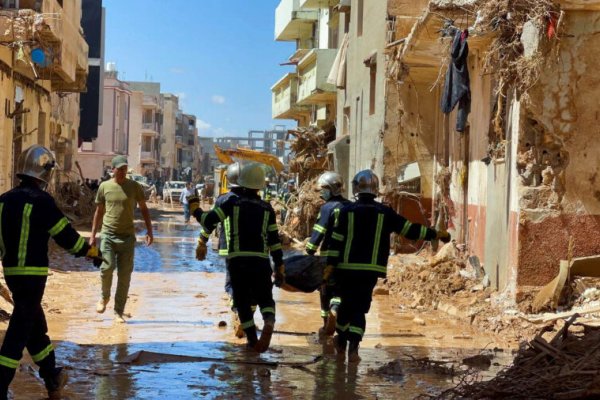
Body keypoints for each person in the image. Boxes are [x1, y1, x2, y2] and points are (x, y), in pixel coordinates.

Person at [0, 145, 102, 399]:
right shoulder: (43, 202)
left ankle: (51, 376)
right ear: (45, 173)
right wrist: (91, 252)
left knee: (35, 326)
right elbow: (66, 237)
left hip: (12, 274)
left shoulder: (3, 200)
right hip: (33, 277)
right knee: (19, 330)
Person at [327, 170, 451, 363]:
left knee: (346, 305)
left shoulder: (345, 211)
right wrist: (436, 234)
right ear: (376, 189)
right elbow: (410, 230)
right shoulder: (385, 212)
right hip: (370, 271)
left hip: (346, 269)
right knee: (360, 308)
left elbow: (335, 241)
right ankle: (354, 349)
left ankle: (341, 342)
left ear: (355, 188)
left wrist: (330, 266)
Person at [191, 163, 284, 352]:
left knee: (241, 301)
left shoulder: (230, 202)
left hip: (237, 259)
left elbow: (208, 221)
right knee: (265, 298)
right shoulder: (266, 208)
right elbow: (274, 241)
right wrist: (279, 265)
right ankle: (269, 321)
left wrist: (195, 209)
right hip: (261, 259)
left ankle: (252, 341)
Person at [90, 155, 154, 323]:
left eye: (125, 169)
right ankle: (104, 297)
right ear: (113, 170)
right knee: (107, 268)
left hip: (127, 238)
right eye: (120, 169)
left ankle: (118, 311)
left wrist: (149, 231)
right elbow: (99, 212)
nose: (122, 172)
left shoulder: (134, 187)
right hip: (108, 235)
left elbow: (145, 209)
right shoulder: (104, 187)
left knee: (124, 276)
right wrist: (93, 236)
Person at [305, 171, 351, 336]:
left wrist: (310, 249)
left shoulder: (327, 208)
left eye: (324, 189)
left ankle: (326, 325)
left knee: (325, 289)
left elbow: (319, 231)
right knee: (340, 290)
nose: (321, 193)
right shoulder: (350, 206)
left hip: (328, 256)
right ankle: (336, 311)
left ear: (332, 189)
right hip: (348, 258)